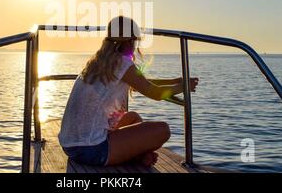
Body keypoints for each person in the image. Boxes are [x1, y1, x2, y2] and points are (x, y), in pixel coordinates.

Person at [58, 16, 199, 167]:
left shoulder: (99, 62)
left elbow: (141, 82)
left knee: (132, 117)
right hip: (93, 150)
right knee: (162, 130)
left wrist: (175, 81)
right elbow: (155, 93)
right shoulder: (122, 62)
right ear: (130, 40)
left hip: (70, 145)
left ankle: (138, 156)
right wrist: (184, 87)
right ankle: (137, 155)